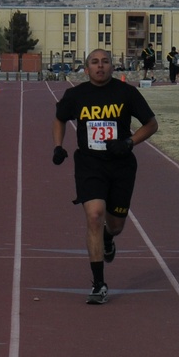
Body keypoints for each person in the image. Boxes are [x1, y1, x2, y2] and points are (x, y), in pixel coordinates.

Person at [52, 48, 159, 304]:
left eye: (105, 62)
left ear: (113, 66)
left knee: (116, 225)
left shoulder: (126, 93)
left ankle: (108, 238)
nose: (100, 66)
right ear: (86, 68)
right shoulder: (75, 95)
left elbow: (151, 124)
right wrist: (58, 146)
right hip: (90, 165)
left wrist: (129, 143)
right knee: (94, 215)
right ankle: (98, 284)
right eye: (94, 62)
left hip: (121, 166)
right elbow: (60, 118)